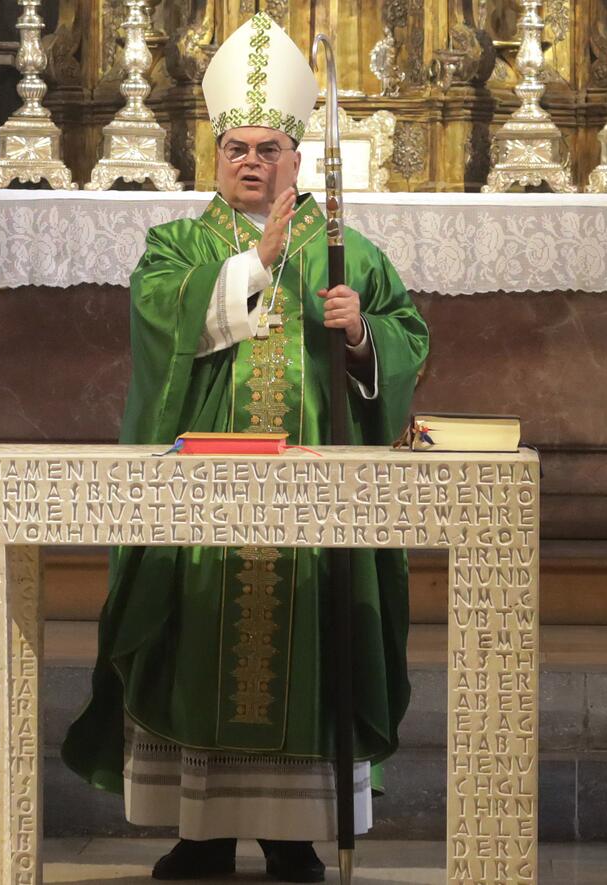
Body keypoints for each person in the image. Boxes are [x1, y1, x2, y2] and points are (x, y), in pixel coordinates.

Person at [61, 13, 429, 882]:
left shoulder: (347, 252)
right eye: (238, 149)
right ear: (215, 156)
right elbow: (157, 323)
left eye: (270, 147)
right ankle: (201, 831)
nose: (254, 162)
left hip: (309, 515)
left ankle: (297, 833)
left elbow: (407, 342)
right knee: (200, 637)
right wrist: (253, 265)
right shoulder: (179, 246)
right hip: (205, 511)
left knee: (305, 640)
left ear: (298, 158)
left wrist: (363, 336)